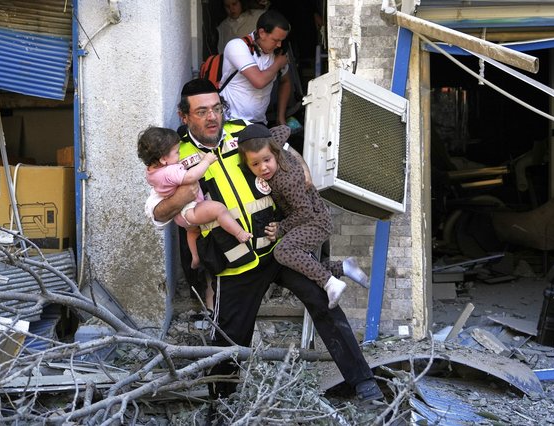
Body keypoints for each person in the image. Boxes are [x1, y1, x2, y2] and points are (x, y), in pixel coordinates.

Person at [145, 78, 383, 404]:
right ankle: (222, 406)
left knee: (324, 303)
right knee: (230, 338)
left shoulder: (243, 130)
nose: (213, 117)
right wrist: (182, 197)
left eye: (216, 108)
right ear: (184, 116)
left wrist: (300, 167)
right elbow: (157, 212)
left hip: (279, 245)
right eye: (202, 112)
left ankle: (364, 384)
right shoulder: (175, 156)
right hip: (235, 262)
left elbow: (283, 148)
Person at [237, 123, 370, 309]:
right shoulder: (270, 141)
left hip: (315, 222)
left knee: (283, 251)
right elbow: (284, 129)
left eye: (267, 160)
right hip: (309, 218)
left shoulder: (286, 180)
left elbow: (304, 211)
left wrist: (281, 228)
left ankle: (330, 282)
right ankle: (344, 267)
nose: (263, 168)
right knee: (304, 262)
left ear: (275, 153)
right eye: (255, 164)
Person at [137, 126, 253, 271]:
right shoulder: (170, 171)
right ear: (163, 159)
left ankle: (195, 257)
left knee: (193, 232)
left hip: (181, 216)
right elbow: (191, 176)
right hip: (189, 209)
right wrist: (206, 161)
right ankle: (239, 233)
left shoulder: (151, 172)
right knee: (219, 209)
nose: (179, 155)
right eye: (176, 152)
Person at [220, 9, 291, 126]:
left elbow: (286, 82)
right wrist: (278, 64)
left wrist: (280, 117)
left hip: (259, 123)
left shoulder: (276, 53)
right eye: (275, 40)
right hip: (231, 121)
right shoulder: (237, 46)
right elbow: (259, 81)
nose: (279, 45)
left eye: (281, 41)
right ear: (262, 33)